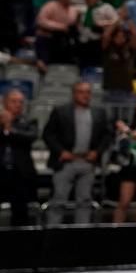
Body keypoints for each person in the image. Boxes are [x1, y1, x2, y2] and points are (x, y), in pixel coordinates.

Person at [43, 81, 112, 225]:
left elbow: (107, 135)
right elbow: (48, 134)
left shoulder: (99, 112)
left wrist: (97, 152)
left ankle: (81, 236)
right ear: (74, 93)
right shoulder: (61, 111)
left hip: (87, 162)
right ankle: (52, 237)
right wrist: (61, 151)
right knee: (58, 201)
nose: (85, 95)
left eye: (88, 92)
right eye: (81, 92)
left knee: (85, 201)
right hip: (65, 162)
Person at [0, 88, 39, 226]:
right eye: (14, 101)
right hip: (1, 170)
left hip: (20, 173)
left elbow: (30, 137)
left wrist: (8, 127)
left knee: (20, 213)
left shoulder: (29, 121)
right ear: (4, 103)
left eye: (21, 102)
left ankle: (20, 244)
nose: (18, 105)